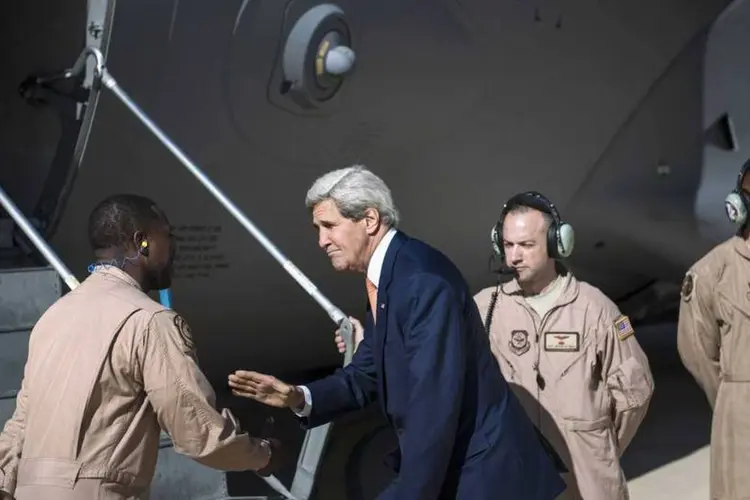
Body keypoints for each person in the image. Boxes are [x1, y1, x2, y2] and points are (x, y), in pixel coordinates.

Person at [228, 165, 566, 500]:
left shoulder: (419, 282)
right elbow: (367, 373)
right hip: (456, 469)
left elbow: (432, 407)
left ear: (370, 220)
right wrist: (298, 397)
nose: (321, 241)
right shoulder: (391, 275)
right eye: (318, 229)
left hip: (485, 476)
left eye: (329, 226)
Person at [0, 194, 281, 500]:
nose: (173, 247)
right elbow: (199, 433)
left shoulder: (52, 317)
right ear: (141, 242)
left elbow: (20, 423)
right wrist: (263, 454)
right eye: (167, 235)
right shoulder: (151, 322)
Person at [472, 191, 654, 500]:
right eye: (508, 245)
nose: (514, 256)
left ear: (557, 244)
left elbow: (635, 392)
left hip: (586, 480)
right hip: (516, 476)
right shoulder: (485, 308)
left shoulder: (595, 308)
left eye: (527, 245)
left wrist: (596, 444)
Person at [678, 159, 750, 500]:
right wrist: (734, 397)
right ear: (739, 204)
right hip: (740, 422)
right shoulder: (711, 273)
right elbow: (697, 353)